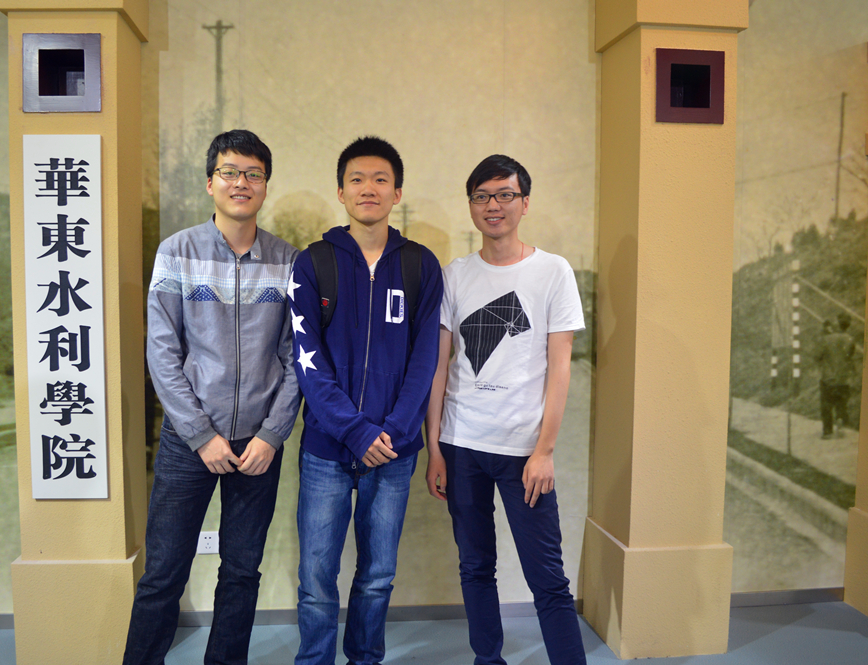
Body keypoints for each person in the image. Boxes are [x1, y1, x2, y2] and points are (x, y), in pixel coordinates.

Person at [123, 129, 300, 665]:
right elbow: (162, 353)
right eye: (229, 172)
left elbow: (299, 358)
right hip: (188, 443)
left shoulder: (288, 261)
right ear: (210, 183)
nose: (241, 182)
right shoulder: (177, 252)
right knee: (163, 573)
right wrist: (201, 435)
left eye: (253, 174)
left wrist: (272, 435)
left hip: (258, 447)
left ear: (265, 185)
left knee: (242, 571)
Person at [425, 155, 587, 665]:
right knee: (475, 568)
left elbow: (560, 369)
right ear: (471, 204)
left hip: (524, 452)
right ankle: (487, 658)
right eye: (482, 196)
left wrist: (545, 451)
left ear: (524, 203)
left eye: (504, 195)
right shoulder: (454, 276)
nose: (492, 205)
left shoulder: (553, 272)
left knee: (548, 579)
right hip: (461, 445)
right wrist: (434, 448)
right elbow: (439, 367)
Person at [288, 136, 444, 665]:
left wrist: (393, 432)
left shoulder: (421, 266)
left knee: (377, 576)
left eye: (381, 179)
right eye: (356, 179)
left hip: (393, 452)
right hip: (326, 451)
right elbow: (307, 360)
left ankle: (364, 659)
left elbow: (425, 360)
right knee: (316, 579)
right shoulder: (313, 263)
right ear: (341, 192)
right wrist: (355, 430)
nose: (368, 188)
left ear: (397, 193)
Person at [817, 312, 856, 439]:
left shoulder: (826, 339)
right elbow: (849, 356)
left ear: (837, 324)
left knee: (826, 405)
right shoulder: (850, 339)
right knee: (841, 403)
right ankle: (840, 420)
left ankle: (827, 432)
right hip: (844, 378)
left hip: (828, 378)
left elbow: (818, 355)